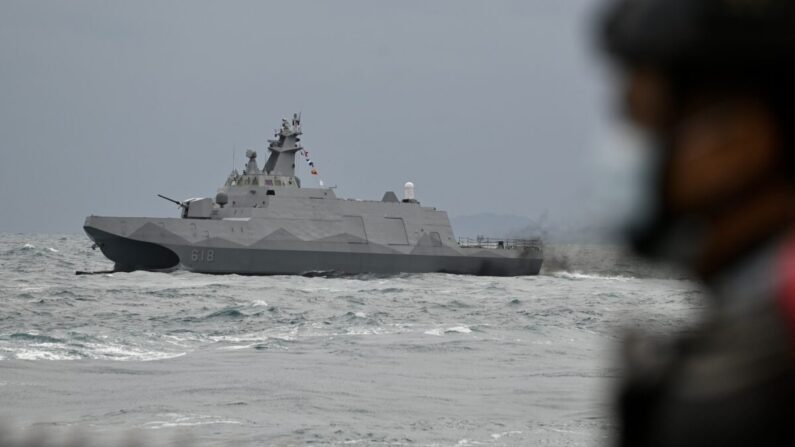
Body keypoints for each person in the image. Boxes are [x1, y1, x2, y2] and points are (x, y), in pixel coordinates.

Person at [598, 0, 795, 445]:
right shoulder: (750, 329)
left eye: (649, 123)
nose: (628, 148)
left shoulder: (768, 354)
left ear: (737, 139)